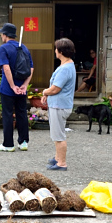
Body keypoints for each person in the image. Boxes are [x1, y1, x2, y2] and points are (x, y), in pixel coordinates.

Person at [0, 23, 33, 152]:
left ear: (5, 35)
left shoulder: (4, 48)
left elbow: (6, 68)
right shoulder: (24, 48)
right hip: (22, 88)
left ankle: (8, 144)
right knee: (22, 113)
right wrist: (24, 85)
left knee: (8, 114)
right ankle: (23, 142)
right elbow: (31, 68)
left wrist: (12, 86)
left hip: (7, 88)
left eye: (1, 34)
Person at [41, 39, 76, 171]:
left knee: (59, 136)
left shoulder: (65, 69)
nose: (55, 51)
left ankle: (62, 163)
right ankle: (57, 158)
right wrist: (47, 94)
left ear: (60, 51)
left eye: (56, 48)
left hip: (59, 105)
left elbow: (56, 88)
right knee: (56, 134)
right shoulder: (67, 65)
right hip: (59, 104)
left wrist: (44, 92)